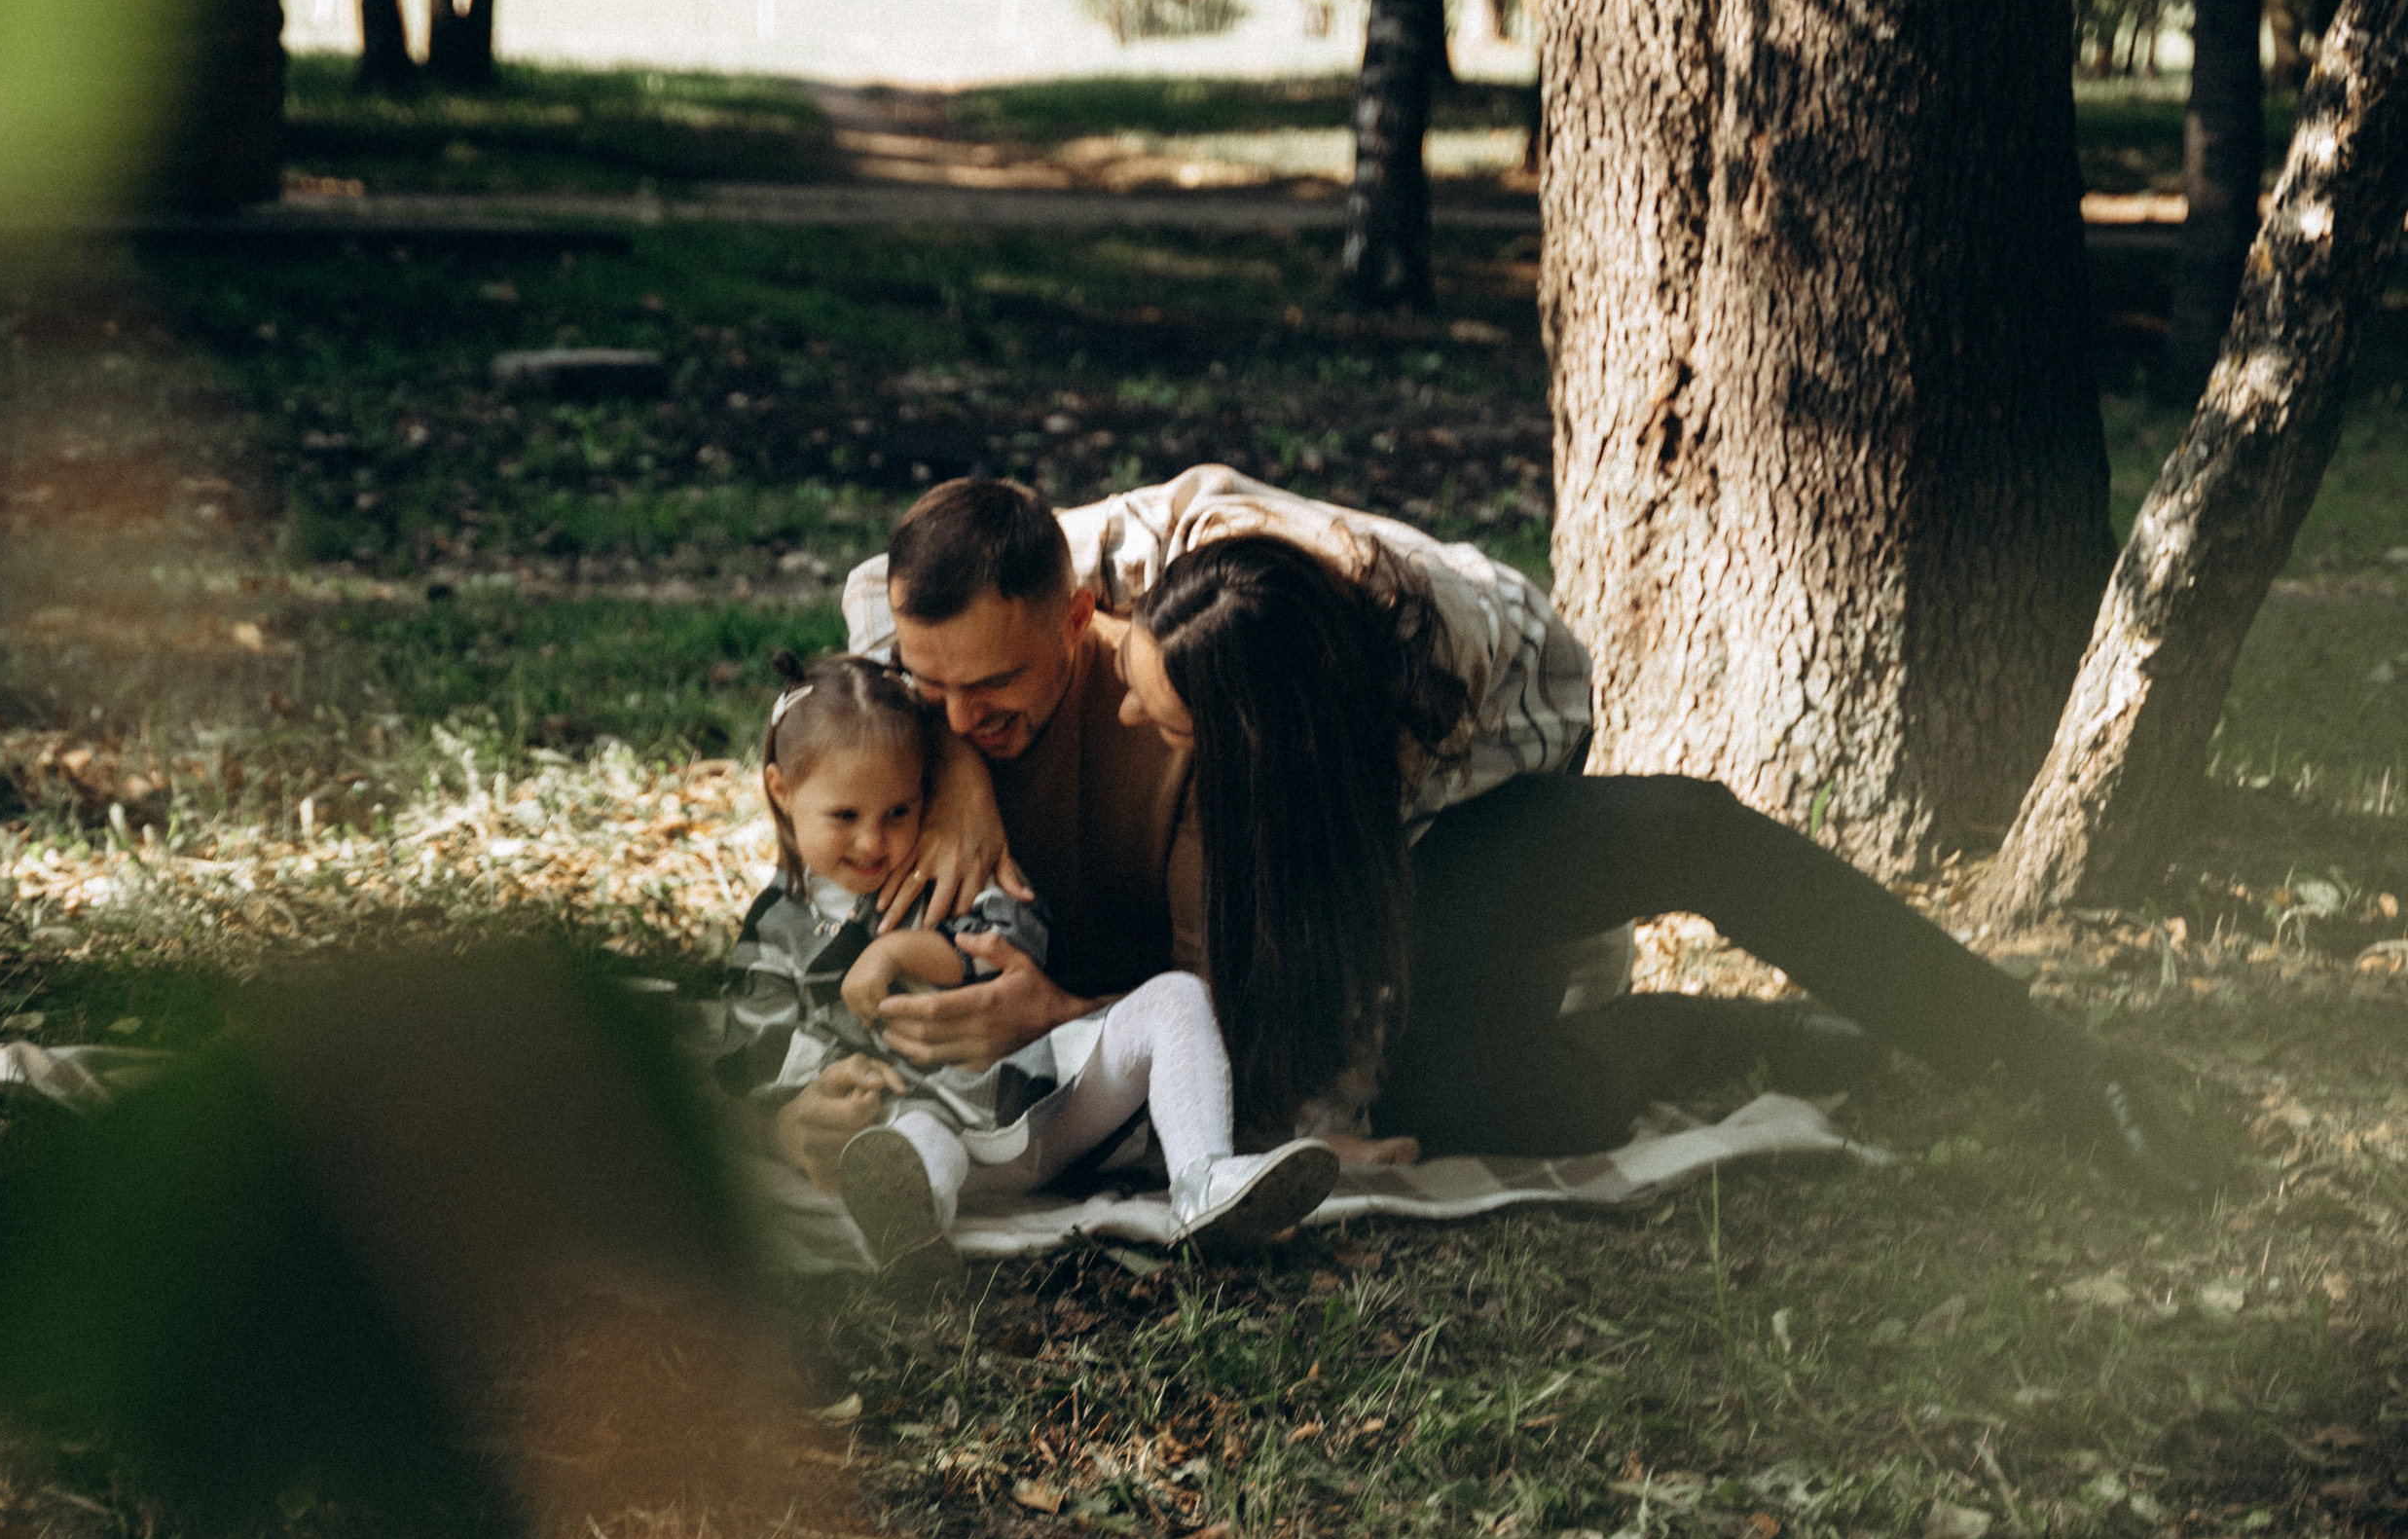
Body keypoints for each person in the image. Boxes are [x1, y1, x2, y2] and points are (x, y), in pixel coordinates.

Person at [841, 469, 2203, 1183]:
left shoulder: (1431, 669)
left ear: (1086, 633)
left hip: (1459, 794)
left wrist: (1297, 1092)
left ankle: (2060, 1062)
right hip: (1306, 809)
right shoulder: (1117, 560)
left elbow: (1304, 943)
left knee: (1687, 829)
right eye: (936, 685)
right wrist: (945, 750)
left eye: (996, 690)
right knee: (1495, 1100)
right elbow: (873, 597)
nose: (964, 713)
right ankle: (1758, 1040)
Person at [707, 649, 1337, 1270]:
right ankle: (909, 1223)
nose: (875, 840)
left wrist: (895, 951)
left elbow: (1012, 943)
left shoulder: (942, 866)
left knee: (1176, 997)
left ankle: (1205, 1183)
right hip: (923, 1124)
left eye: (899, 811)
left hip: (1042, 1098)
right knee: (906, 1142)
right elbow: (754, 1039)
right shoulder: (777, 924)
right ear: (781, 792)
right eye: (845, 816)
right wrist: (822, 1086)